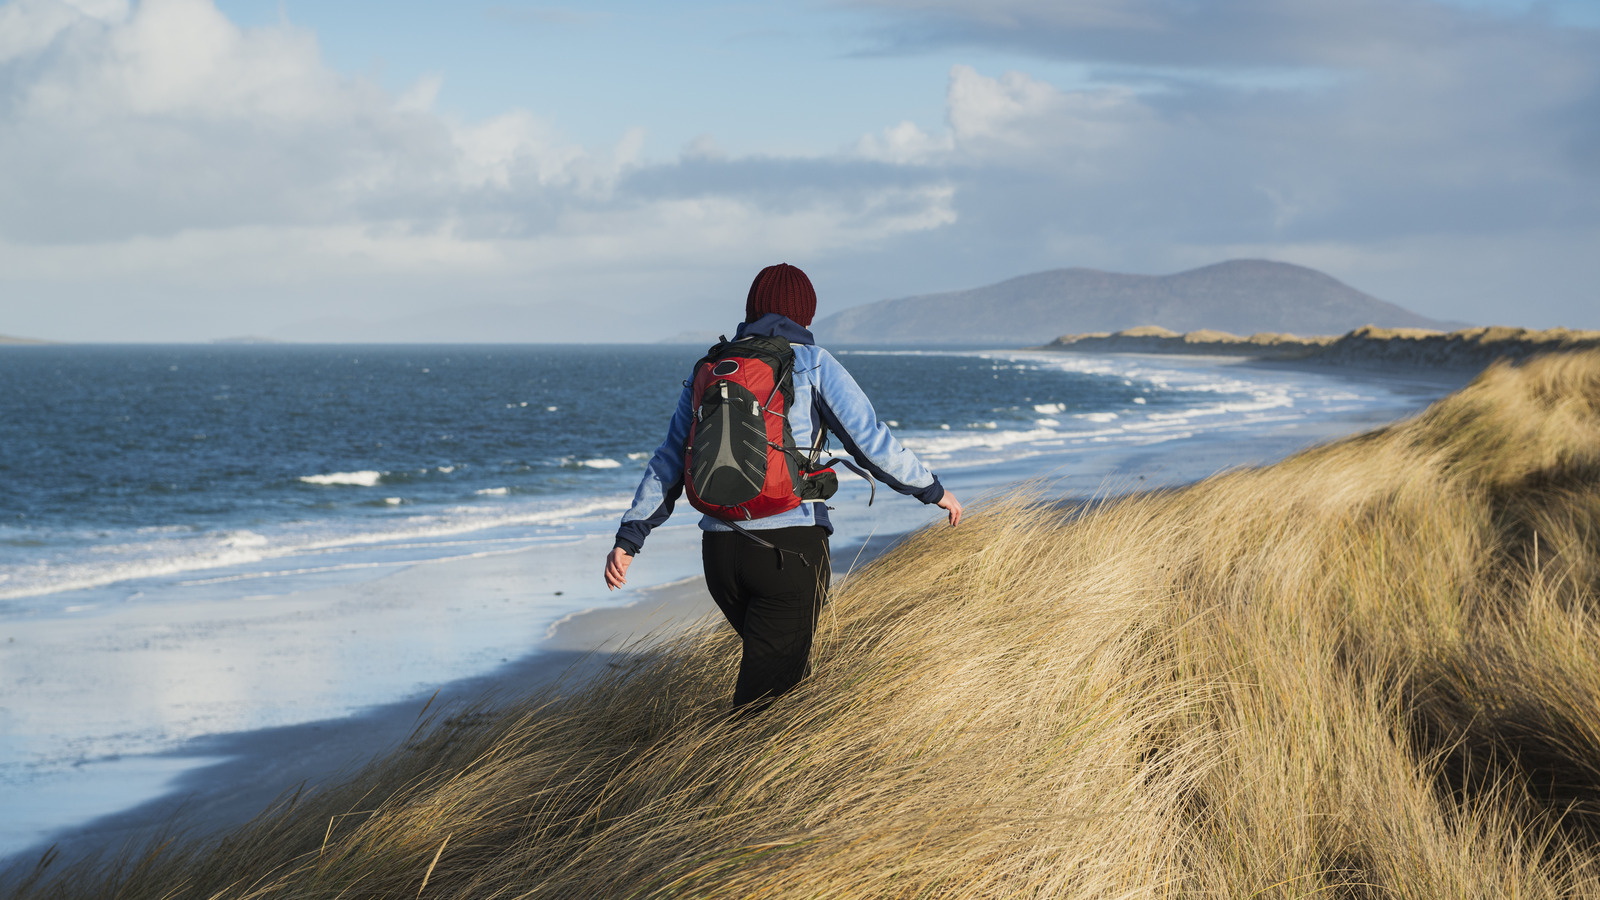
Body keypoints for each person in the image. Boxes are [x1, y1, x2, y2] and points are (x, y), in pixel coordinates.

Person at [603, 263, 962, 709]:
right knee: (765, 708)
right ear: (805, 315)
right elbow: (869, 441)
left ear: (752, 308)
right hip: (788, 554)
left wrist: (630, 536)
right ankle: (727, 777)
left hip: (720, 555)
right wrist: (932, 489)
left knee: (781, 682)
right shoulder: (812, 362)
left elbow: (670, 459)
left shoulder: (713, 366)